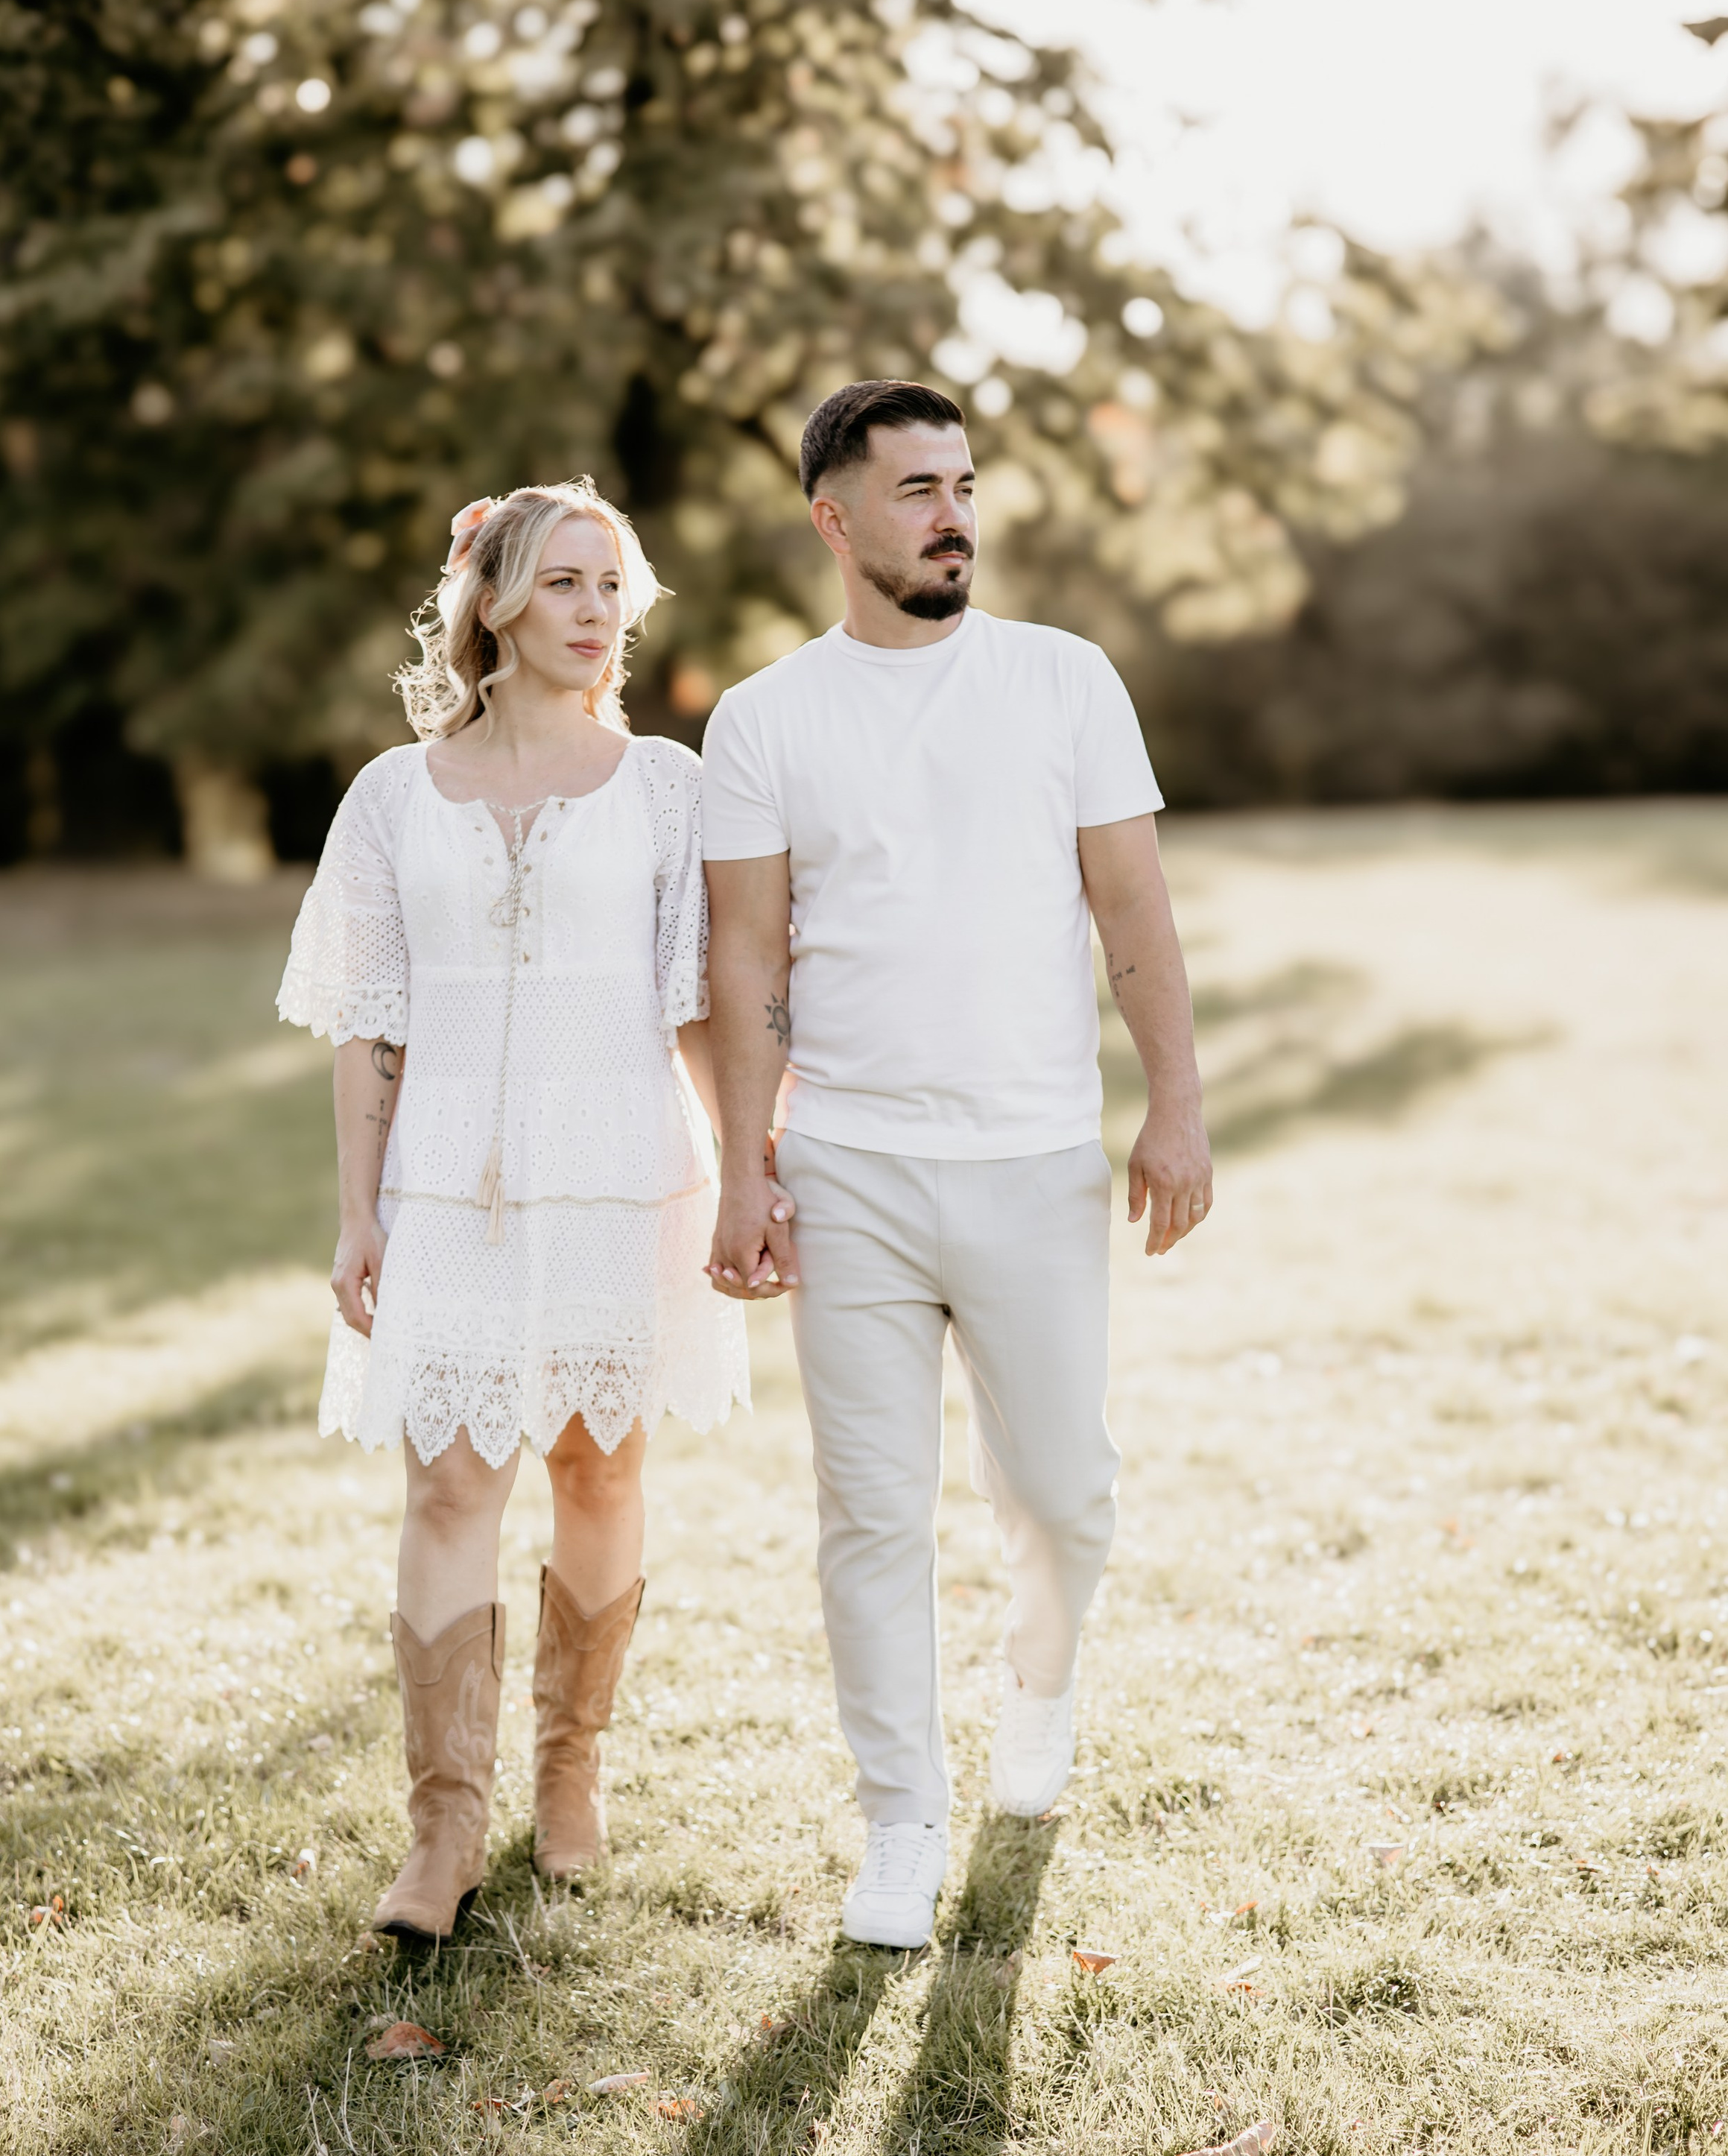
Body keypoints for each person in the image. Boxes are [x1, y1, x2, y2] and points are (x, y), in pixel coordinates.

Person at [700, 380, 1213, 1950]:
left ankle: (1040, 1690)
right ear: (834, 518)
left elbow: (1132, 911)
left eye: (966, 487)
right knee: (869, 1512)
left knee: (1062, 1490)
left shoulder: (1064, 681)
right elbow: (744, 957)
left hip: (1034, 1158)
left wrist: (1177, 1104)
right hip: (846, 1165)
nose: (953, 517)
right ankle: (899, 1822)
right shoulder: (765, 718)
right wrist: (744, 1167)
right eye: (918, 489)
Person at [276, 479, 749, 1944]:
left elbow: (697, 1004)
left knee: (599, 1469)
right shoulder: (390, 796)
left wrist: (749, 1172)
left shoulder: (666, 787)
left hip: (621, 1174)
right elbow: (370, 1018)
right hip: (444, 1186)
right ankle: (443, 1830)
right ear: (490, 601)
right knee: (445, 1487)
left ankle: (569, 1773)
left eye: (611, 585)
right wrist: (357, 1213)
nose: (596, 611)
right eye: (562, 583)